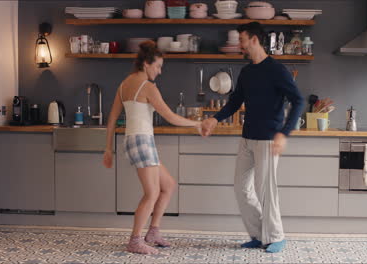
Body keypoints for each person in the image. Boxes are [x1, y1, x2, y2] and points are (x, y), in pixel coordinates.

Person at [201, 22, 305, 253]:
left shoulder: (277, 70)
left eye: (242, 40)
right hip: (247, 138)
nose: (240, 45)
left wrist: (283, 133)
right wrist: (215, 119)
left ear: (254, 40)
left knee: (265, 191)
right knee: (241, 189)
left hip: (268, 139)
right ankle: (259, 234)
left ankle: (276, 236)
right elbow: (235, 101)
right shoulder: (247, 72)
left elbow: (298, 100)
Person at [103, 41, 201, 254]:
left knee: (168, 185)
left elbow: (111, 118)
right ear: (146, 64)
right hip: (141, 141)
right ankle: (135, 240)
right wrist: (197, 124)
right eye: (157, 66)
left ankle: (153, 231)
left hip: (135, 140)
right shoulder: (147, 87)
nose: (160, 70)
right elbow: (170, 116)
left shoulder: (125, 83)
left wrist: (108, 148)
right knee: (152, 192)